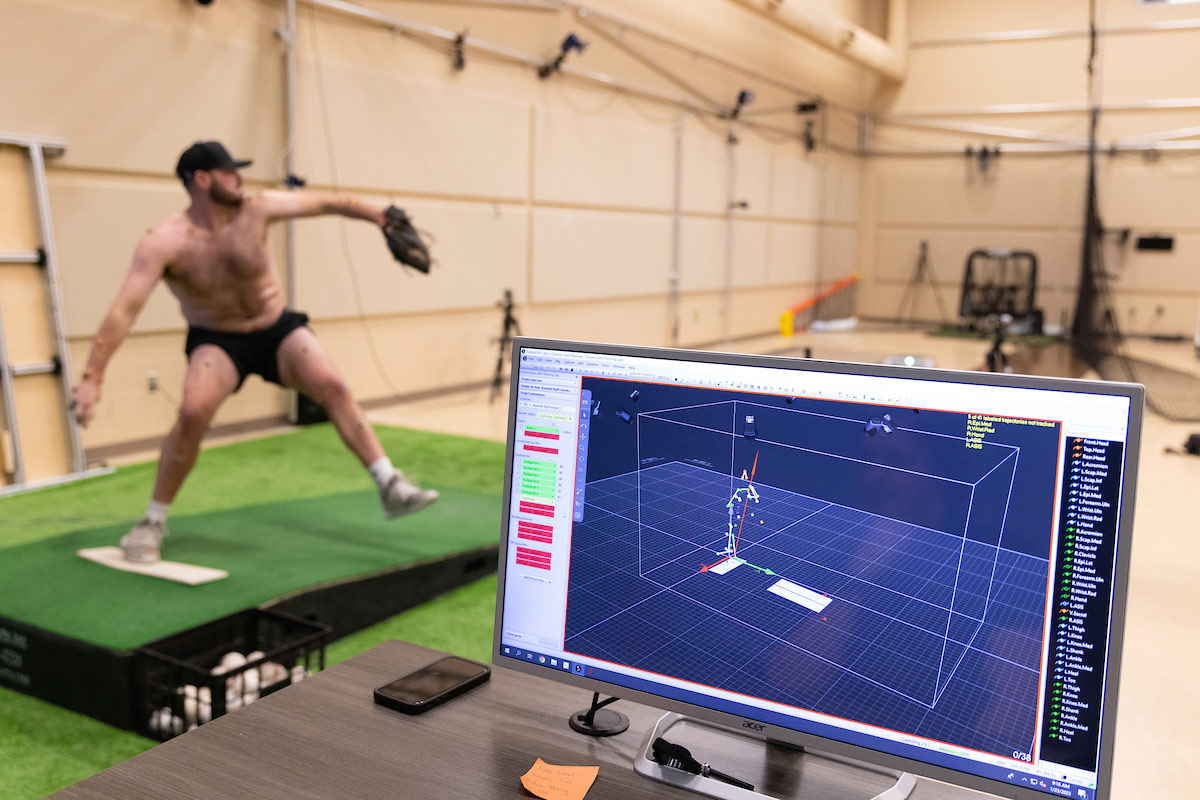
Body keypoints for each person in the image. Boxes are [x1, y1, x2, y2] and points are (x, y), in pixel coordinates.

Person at [71, 141, 437, 563]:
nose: (240, 179)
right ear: (202, 180)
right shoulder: (165, 241)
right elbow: (124, 309)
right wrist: (92, 377)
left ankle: (390, 484)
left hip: (275, 327)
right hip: (218, 339)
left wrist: (378, 217)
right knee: (192, 411)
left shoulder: (257, 209)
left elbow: (327, 203)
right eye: (230, 172)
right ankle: (152, 521)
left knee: (331, 383)